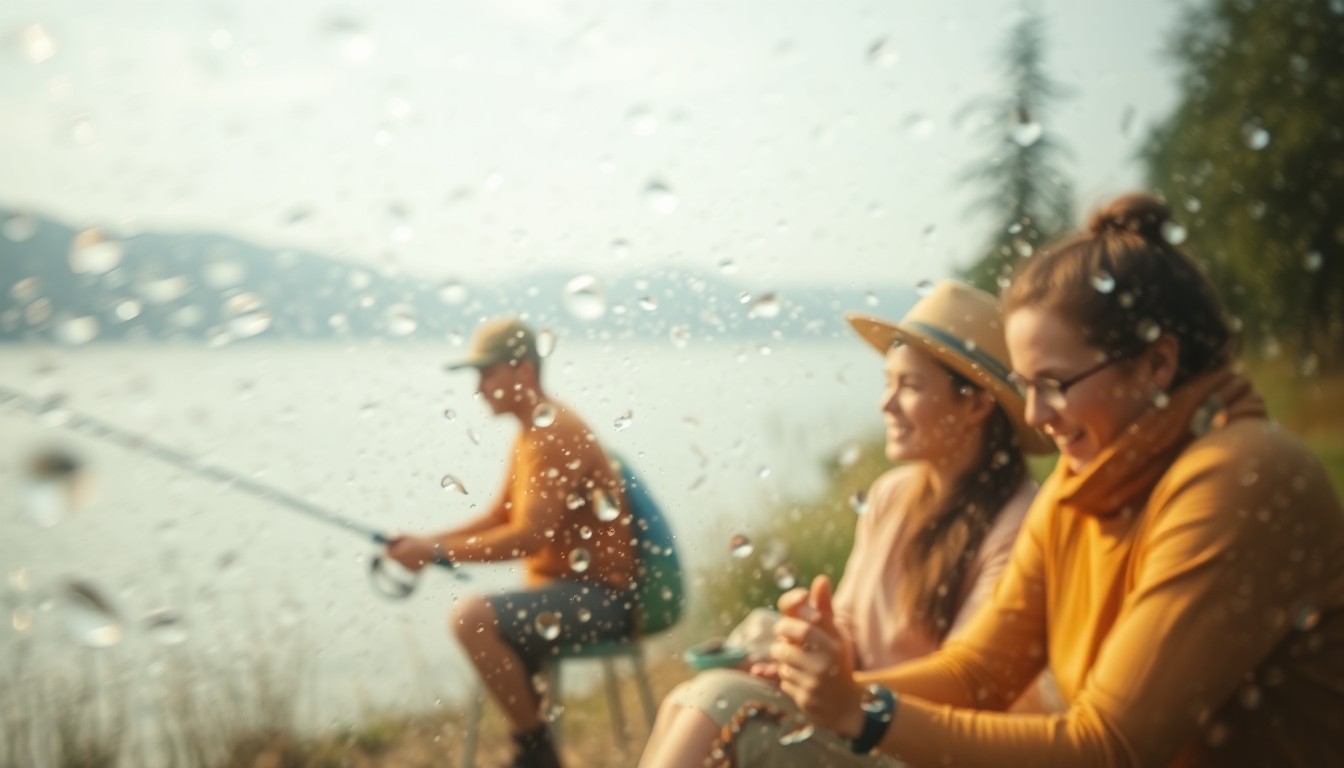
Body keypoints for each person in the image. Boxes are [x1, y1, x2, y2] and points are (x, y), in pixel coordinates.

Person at [759, 193, 1344, 767]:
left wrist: (866, 714)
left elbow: (1109, 747)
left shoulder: (1240, 479)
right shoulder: (1085, 477)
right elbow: (981, 671)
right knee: (742, 708)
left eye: (1055, 384)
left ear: (1157, 365)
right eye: (1025, 385)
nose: (1035, 416)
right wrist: (831, 686)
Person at [638, 281, 1056, 768]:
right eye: (887, 383)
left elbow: (969, 685)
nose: (887, 404)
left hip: (922, 745)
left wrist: (840, 688)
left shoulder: (1020, 525)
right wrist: (812, 642)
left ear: (976, 405)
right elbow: (854, 625)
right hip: (861, 714)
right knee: (700, 689)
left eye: (911, 386)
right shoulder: (892, 494)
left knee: (720, 699)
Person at [385, 316, 638, 768]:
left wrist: (435, 553)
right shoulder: (532, 430)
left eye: (487, 372)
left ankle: (535, 753)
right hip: (566, 594)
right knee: (480, 619)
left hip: (603, 598)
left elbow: (528, 536)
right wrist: (425, 542)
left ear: (522, 371)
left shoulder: (553, 431)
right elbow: (500, 517)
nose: (479, 387)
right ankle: (534, 745)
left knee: (472, 619)